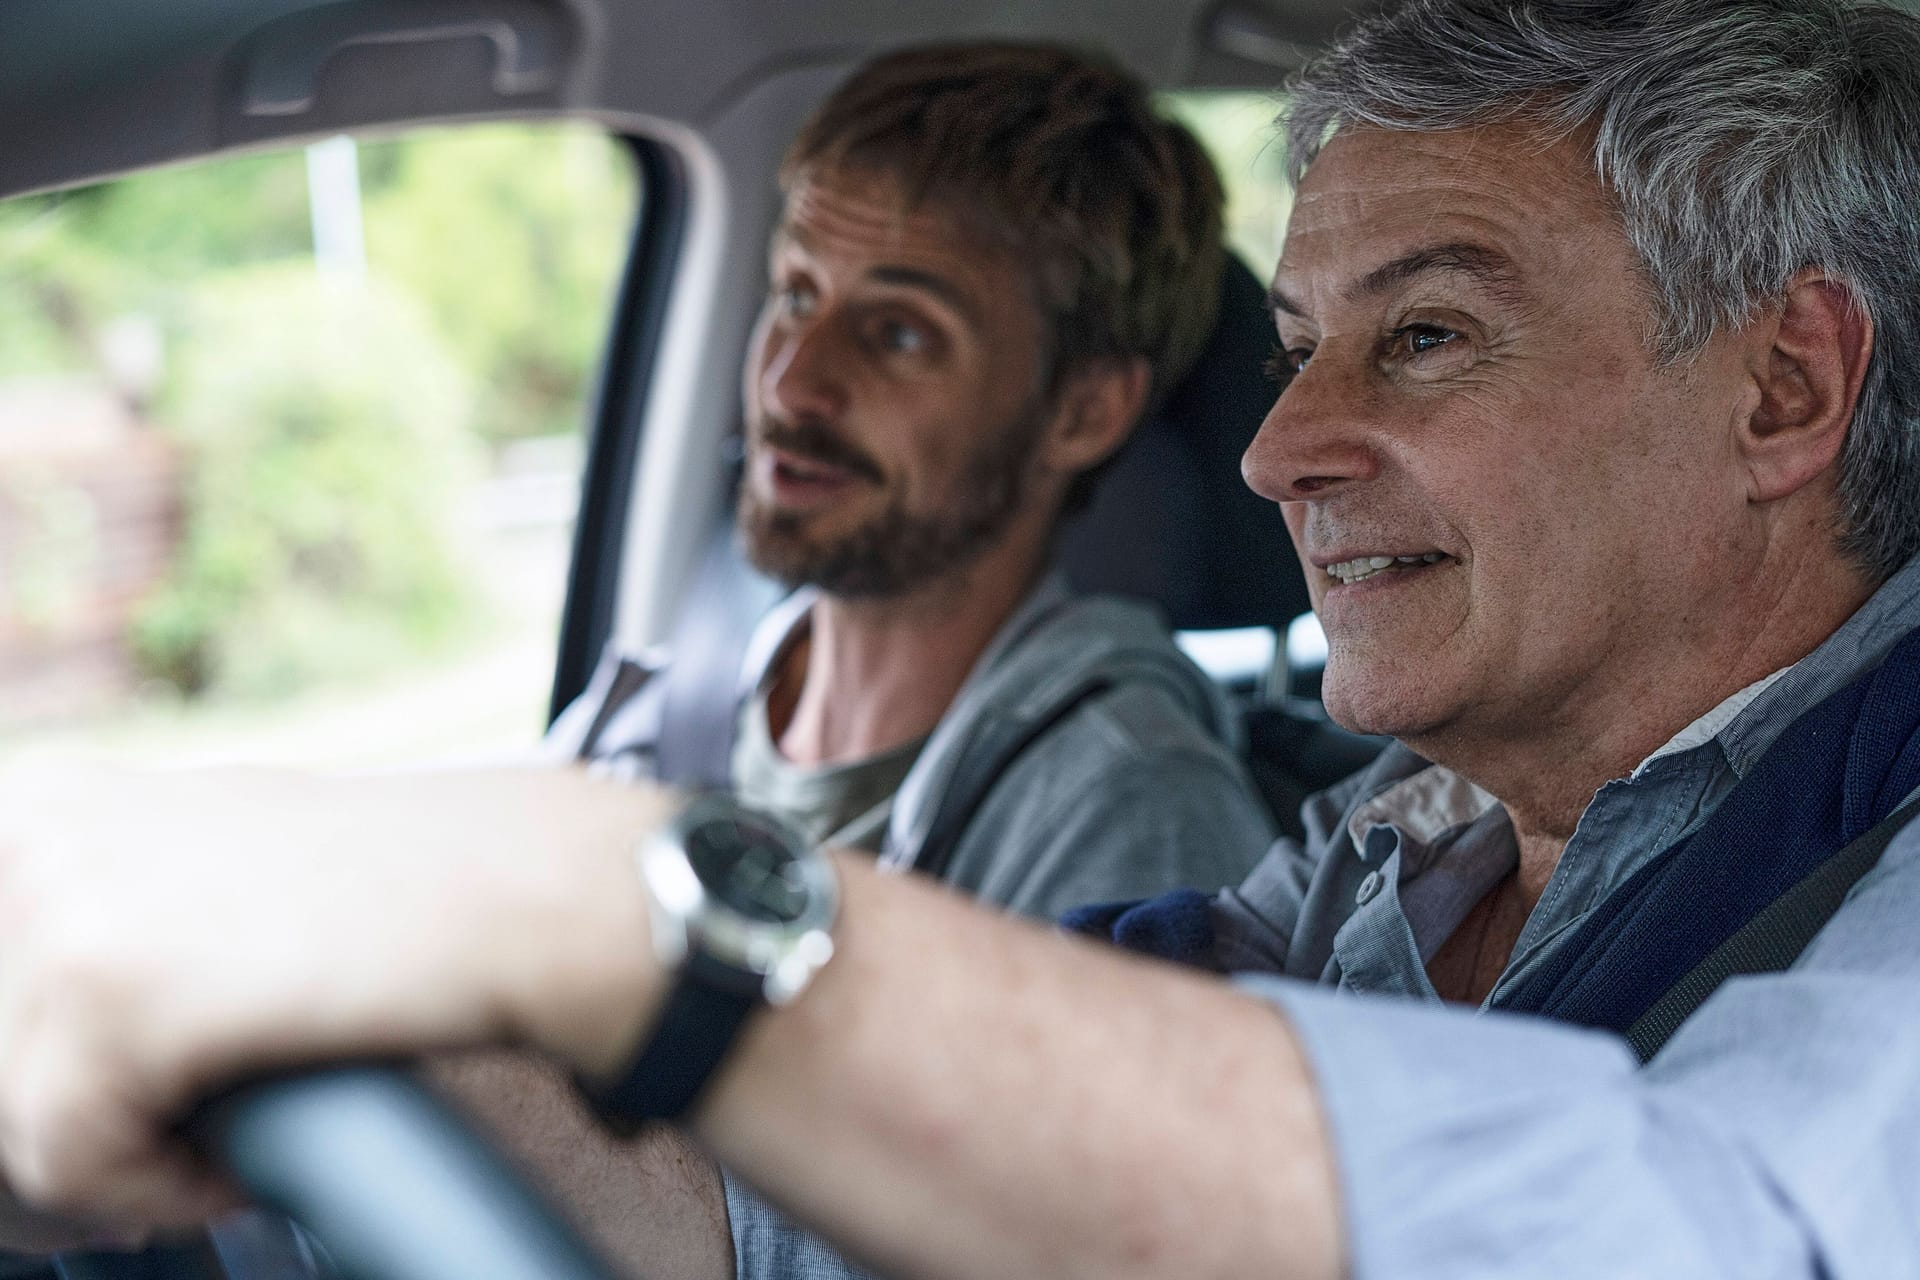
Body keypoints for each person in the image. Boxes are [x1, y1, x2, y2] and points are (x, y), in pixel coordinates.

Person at [6, 0, 1920, 1276]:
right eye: (1294, 352)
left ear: (1780, 390)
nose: (1272, 453)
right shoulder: (1372, 856)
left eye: (1423, 336)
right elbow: (818, 1199)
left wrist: (603, 903)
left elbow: (1733, 1225)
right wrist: (329, 965)